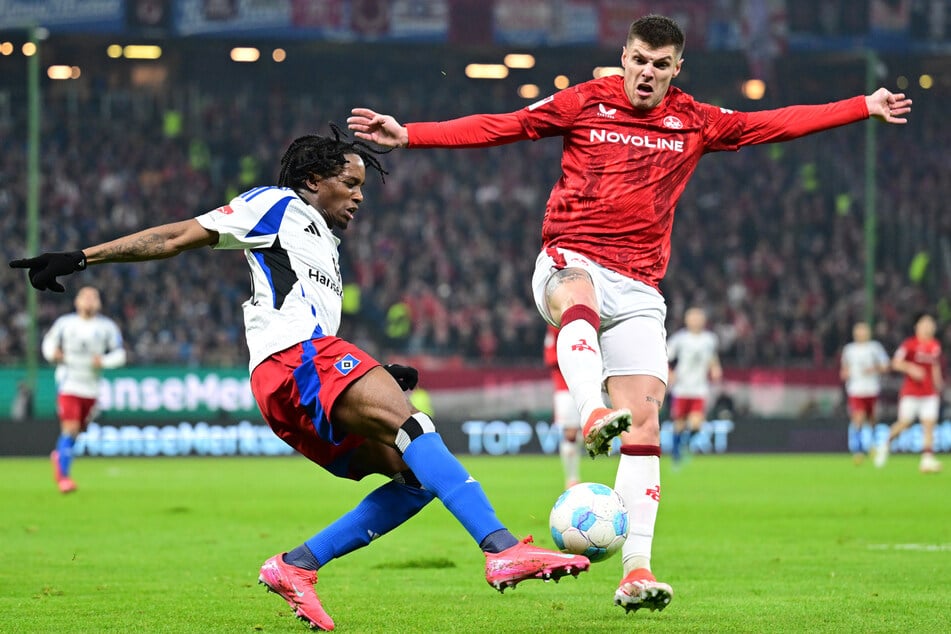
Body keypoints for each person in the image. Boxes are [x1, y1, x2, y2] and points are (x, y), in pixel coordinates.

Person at [347, 13, 912, 613]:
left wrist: (862, 105)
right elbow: (505, 126)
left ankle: (635, 570)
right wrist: (412, 134)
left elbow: (773, 123)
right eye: (639, 59)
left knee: (644, 422)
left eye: (660, 64)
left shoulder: (695, 121)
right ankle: (592, 410)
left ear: (676, 70)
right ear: (625, 56)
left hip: (640, 286)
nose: (647, 72)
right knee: (579, 299)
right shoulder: (586, 101)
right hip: (570, 258)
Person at [10, 127, 589, 631]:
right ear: (314, 178)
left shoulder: (322, 240)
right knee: (415, 424)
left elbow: (301, 313)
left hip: (299, 377)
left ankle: (297, 565)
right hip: (295, 363)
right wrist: (83, 257)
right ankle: (502, 548)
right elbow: (176, 237)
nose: (361, 197)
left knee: (415, 478)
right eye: (352, 184)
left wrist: (376, 376)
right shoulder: (278, 205)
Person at [41, 286, 127, 493]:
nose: (89, 300)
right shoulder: (65, 323)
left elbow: (120, 354)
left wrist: (104, 361)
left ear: (99, 303)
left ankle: (59, 456)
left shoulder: (107, 327)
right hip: (69, 383)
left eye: (93, 297)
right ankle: (63, 478)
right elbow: (48, 344)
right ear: (77, 301)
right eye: (85, 296)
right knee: (69, 429)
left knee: (76, 434)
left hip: (91, 389)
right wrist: (54, 355)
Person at [873, 313, 943, 473]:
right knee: (905, 423)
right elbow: (896, 362)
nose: (928, 326)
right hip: (911, 392)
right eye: (925, 323)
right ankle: (884, 445)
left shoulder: (935, 345)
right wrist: (911, 368)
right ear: (917, 327)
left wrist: (938, 382)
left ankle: (926, 460)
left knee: (929, 425)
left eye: (931, 324)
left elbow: (935, 366)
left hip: (929, 393)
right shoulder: (909, 344)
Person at [666, 307, 721, 464]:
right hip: (682, 388)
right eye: (692, 318)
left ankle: (684, 445)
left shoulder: (710, 339)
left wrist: (715, 368)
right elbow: (667, 356)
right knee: (680, 424)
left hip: (699, 388)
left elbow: (712, 357)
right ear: (687, 320)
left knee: (697, 424)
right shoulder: (680, 339)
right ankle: (676, 454)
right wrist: (670, 372)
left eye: (698, 318)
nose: (695, 321)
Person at [839, 321, 890, 464]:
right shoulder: (849, 349)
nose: (861, 333)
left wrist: (874, 369)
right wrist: (845, 373)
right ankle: (858, 450)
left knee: (872, 419)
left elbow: (885, 365)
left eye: (864, 330)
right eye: (859, 330)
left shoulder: (875, 347)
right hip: (856, 389)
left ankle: (873, 445)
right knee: (858, 418)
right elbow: (844, 368)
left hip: (872, 388)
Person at [545, 324, 583, 489]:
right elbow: (550, 357)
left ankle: (573, 477)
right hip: (565, 388)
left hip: (586, 385)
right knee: (570, 433)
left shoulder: (584, 324)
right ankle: (572, 478)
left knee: (582, 433)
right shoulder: (553, 327)